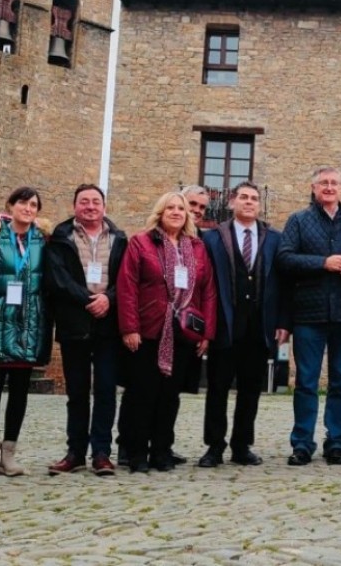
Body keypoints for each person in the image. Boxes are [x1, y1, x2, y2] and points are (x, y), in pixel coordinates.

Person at [117, 191, 217, 473]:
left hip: (183, 333)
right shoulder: (141, 243)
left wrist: (206, 332)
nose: (176, 212)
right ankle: (136, 454)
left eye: (181, 209)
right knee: (142, 394)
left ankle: (162, 451)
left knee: (169, 396)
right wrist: (130, 327)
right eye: (170, 208)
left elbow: (208, 291)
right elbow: (127, 287)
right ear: (159, 213)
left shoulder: (197, 248)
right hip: (148, 330)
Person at [277, 166, 341, 466]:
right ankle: (302, 443)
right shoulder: (298, 221)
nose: (329, 187)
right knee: (306, 381)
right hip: (309, 315)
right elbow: (285, 259)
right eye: (323, 183)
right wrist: (322, 263)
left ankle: (336, 443)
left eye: (334, 183)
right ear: (314, 188)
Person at [198, 181, 289, 468]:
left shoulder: (275, 238)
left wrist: (284, 321)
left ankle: (241, 446)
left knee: (251, 390)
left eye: (253, 198)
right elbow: (204, 283)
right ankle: (214, 446)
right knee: (217, 387)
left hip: (260, 325)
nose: (249, 202)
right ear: (232, 203)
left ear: (259, 205)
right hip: (225, 323)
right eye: (243, 198)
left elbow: (286, 283)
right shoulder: (213, 238)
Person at [45, 184, 128, 477]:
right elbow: (58, 278)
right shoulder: (61, 237)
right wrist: (88, 300)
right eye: (84, 202)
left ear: (104, 207)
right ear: (74, 206)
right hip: (74, 323)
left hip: (108, 324)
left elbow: (126, 279)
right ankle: (75, 452)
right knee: (77, 392)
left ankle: (102, 453)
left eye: (95, 201)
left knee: (106, 390)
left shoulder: (119, 238)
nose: (90, 206)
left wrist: (109, 299)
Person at [0, 187, 52, 477]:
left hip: (28, 325)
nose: (28, 208)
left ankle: (9, 453)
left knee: (20, 390)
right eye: (23, 202)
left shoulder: (42, 240)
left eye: (34, 204)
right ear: (11, 205)